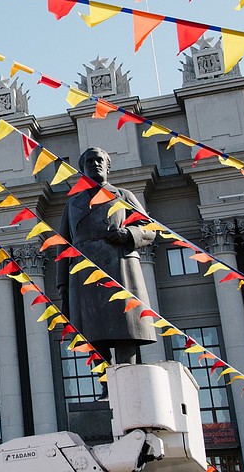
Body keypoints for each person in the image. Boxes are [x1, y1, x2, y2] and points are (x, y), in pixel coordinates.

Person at [56, 148, 157, 369]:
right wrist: (62, 284)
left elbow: (149, 228)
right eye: (89, 161)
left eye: (99, 160)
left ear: (107, 166)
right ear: (82, 169)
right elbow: (63, 243)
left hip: (118, 267)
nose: (95, 164)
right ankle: (105, 377)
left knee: (125, 326)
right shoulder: (73, 204)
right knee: (93, 331)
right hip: (84, 273)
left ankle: (127, 371)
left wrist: (128, 234)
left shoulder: (123, 196)